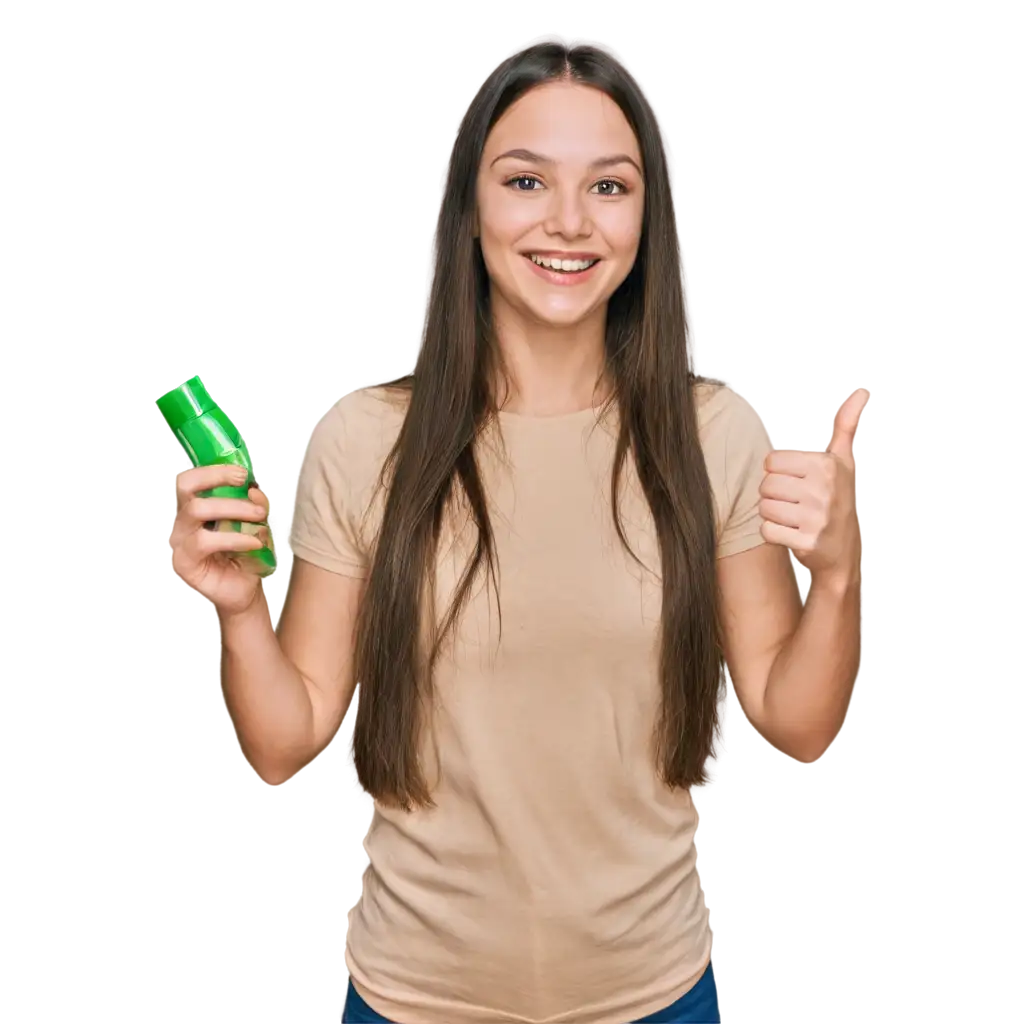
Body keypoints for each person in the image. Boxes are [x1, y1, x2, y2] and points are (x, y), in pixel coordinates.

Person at [166, 39, 866, 1024]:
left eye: (609, 187)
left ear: (646, 220)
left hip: (653, 999)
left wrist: (836, 577)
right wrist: (240, 611)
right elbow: (286, 741)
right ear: (471, 210)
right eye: (526, 179)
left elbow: (795, 719)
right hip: (410, 1002)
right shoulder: (362, 438)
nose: (568, 222)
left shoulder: (713, 435)